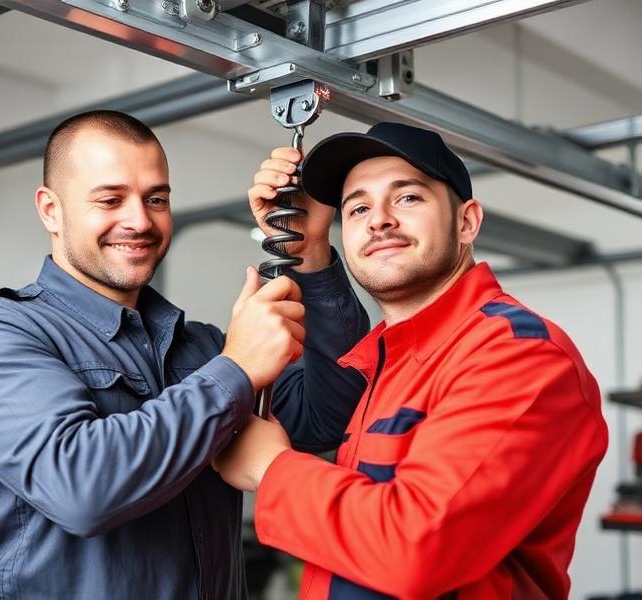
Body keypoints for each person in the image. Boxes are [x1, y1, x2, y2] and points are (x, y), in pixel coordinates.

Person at [0, 110, 369, 599]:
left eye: (156, 198)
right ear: (50, 209)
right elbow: (81, 489)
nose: (139, 220)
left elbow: (330, 417)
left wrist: (307, 248)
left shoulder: (201, 348)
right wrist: (238, 368)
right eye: (110, 199)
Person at [214, 122, 609, 599]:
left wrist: (269, 469)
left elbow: (419, 548)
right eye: (358, 207)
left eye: (407, 198)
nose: (378, 219)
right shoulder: (388, 359)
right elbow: (316, 418)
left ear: (466, 222)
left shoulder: (518, 354)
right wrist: (308, 249)